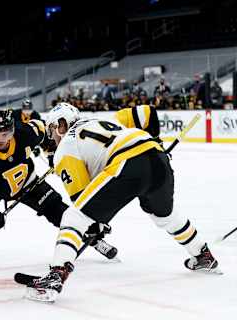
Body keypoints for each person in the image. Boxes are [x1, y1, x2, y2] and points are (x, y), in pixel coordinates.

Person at [24, 103, 221, 302]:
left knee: (74, 217)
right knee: (166, 216)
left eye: (51, 131)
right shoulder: (107, 119)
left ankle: (56, 275)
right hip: (157, 157)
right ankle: (203, 255)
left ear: (60, 125)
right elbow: (148, 113)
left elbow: (81, 201)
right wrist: (158, 142)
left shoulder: (65, 147)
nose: (52, 138)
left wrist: (95, 224)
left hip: (127, 163)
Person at [0, 109, 119, 269]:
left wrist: (53, 153)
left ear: (13, 130)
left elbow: (48, 134)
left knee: (60, 212)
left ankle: (93, 240)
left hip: (30, 183)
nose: (0, 138)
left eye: (5, 133)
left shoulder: (26, 132)